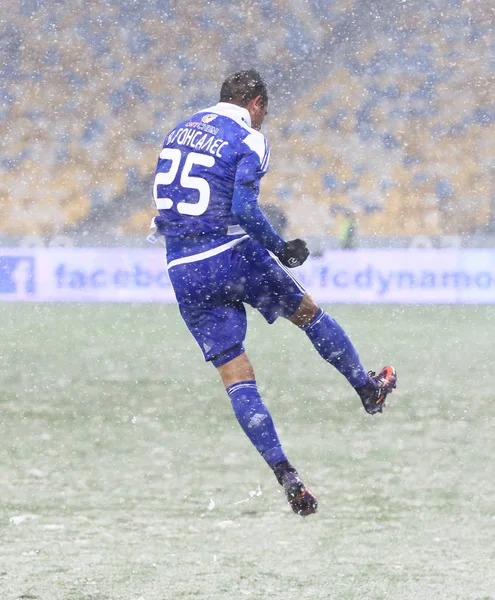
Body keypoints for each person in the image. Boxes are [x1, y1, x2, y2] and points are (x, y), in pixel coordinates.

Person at [150, 70, 397, 517]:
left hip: (182, 266)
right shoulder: (248, 136)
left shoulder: (180, 130)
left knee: (236, 376)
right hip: (229, 251)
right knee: (309, 314)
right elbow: (244, 208)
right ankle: (366, 388)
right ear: (257, 103)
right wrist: (281, 249)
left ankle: (287, 475)